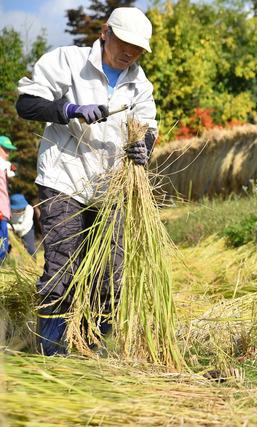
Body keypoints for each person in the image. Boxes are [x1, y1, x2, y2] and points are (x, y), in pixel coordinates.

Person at [15, 7, 157, 355]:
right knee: (63, 264)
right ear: (106, 32)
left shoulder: (139, 84)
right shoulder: (67, 61)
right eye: (124, 43)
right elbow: (26, 104)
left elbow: (148, 128)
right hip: (65, 176)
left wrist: (144, 148)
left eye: (137, 49)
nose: (129, 53)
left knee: (111, 272)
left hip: (112, 187)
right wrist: (68, 110)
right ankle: (52, 350)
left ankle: (92, 345)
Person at [0, 136, 18, 262]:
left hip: (4, 210)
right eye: (5, 149)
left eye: (9, 150)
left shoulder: (5, 165)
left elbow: (12, 174)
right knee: (2, 243)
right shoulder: (3, 164)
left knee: (4, 243)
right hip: (1, 211)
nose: (8, 153)